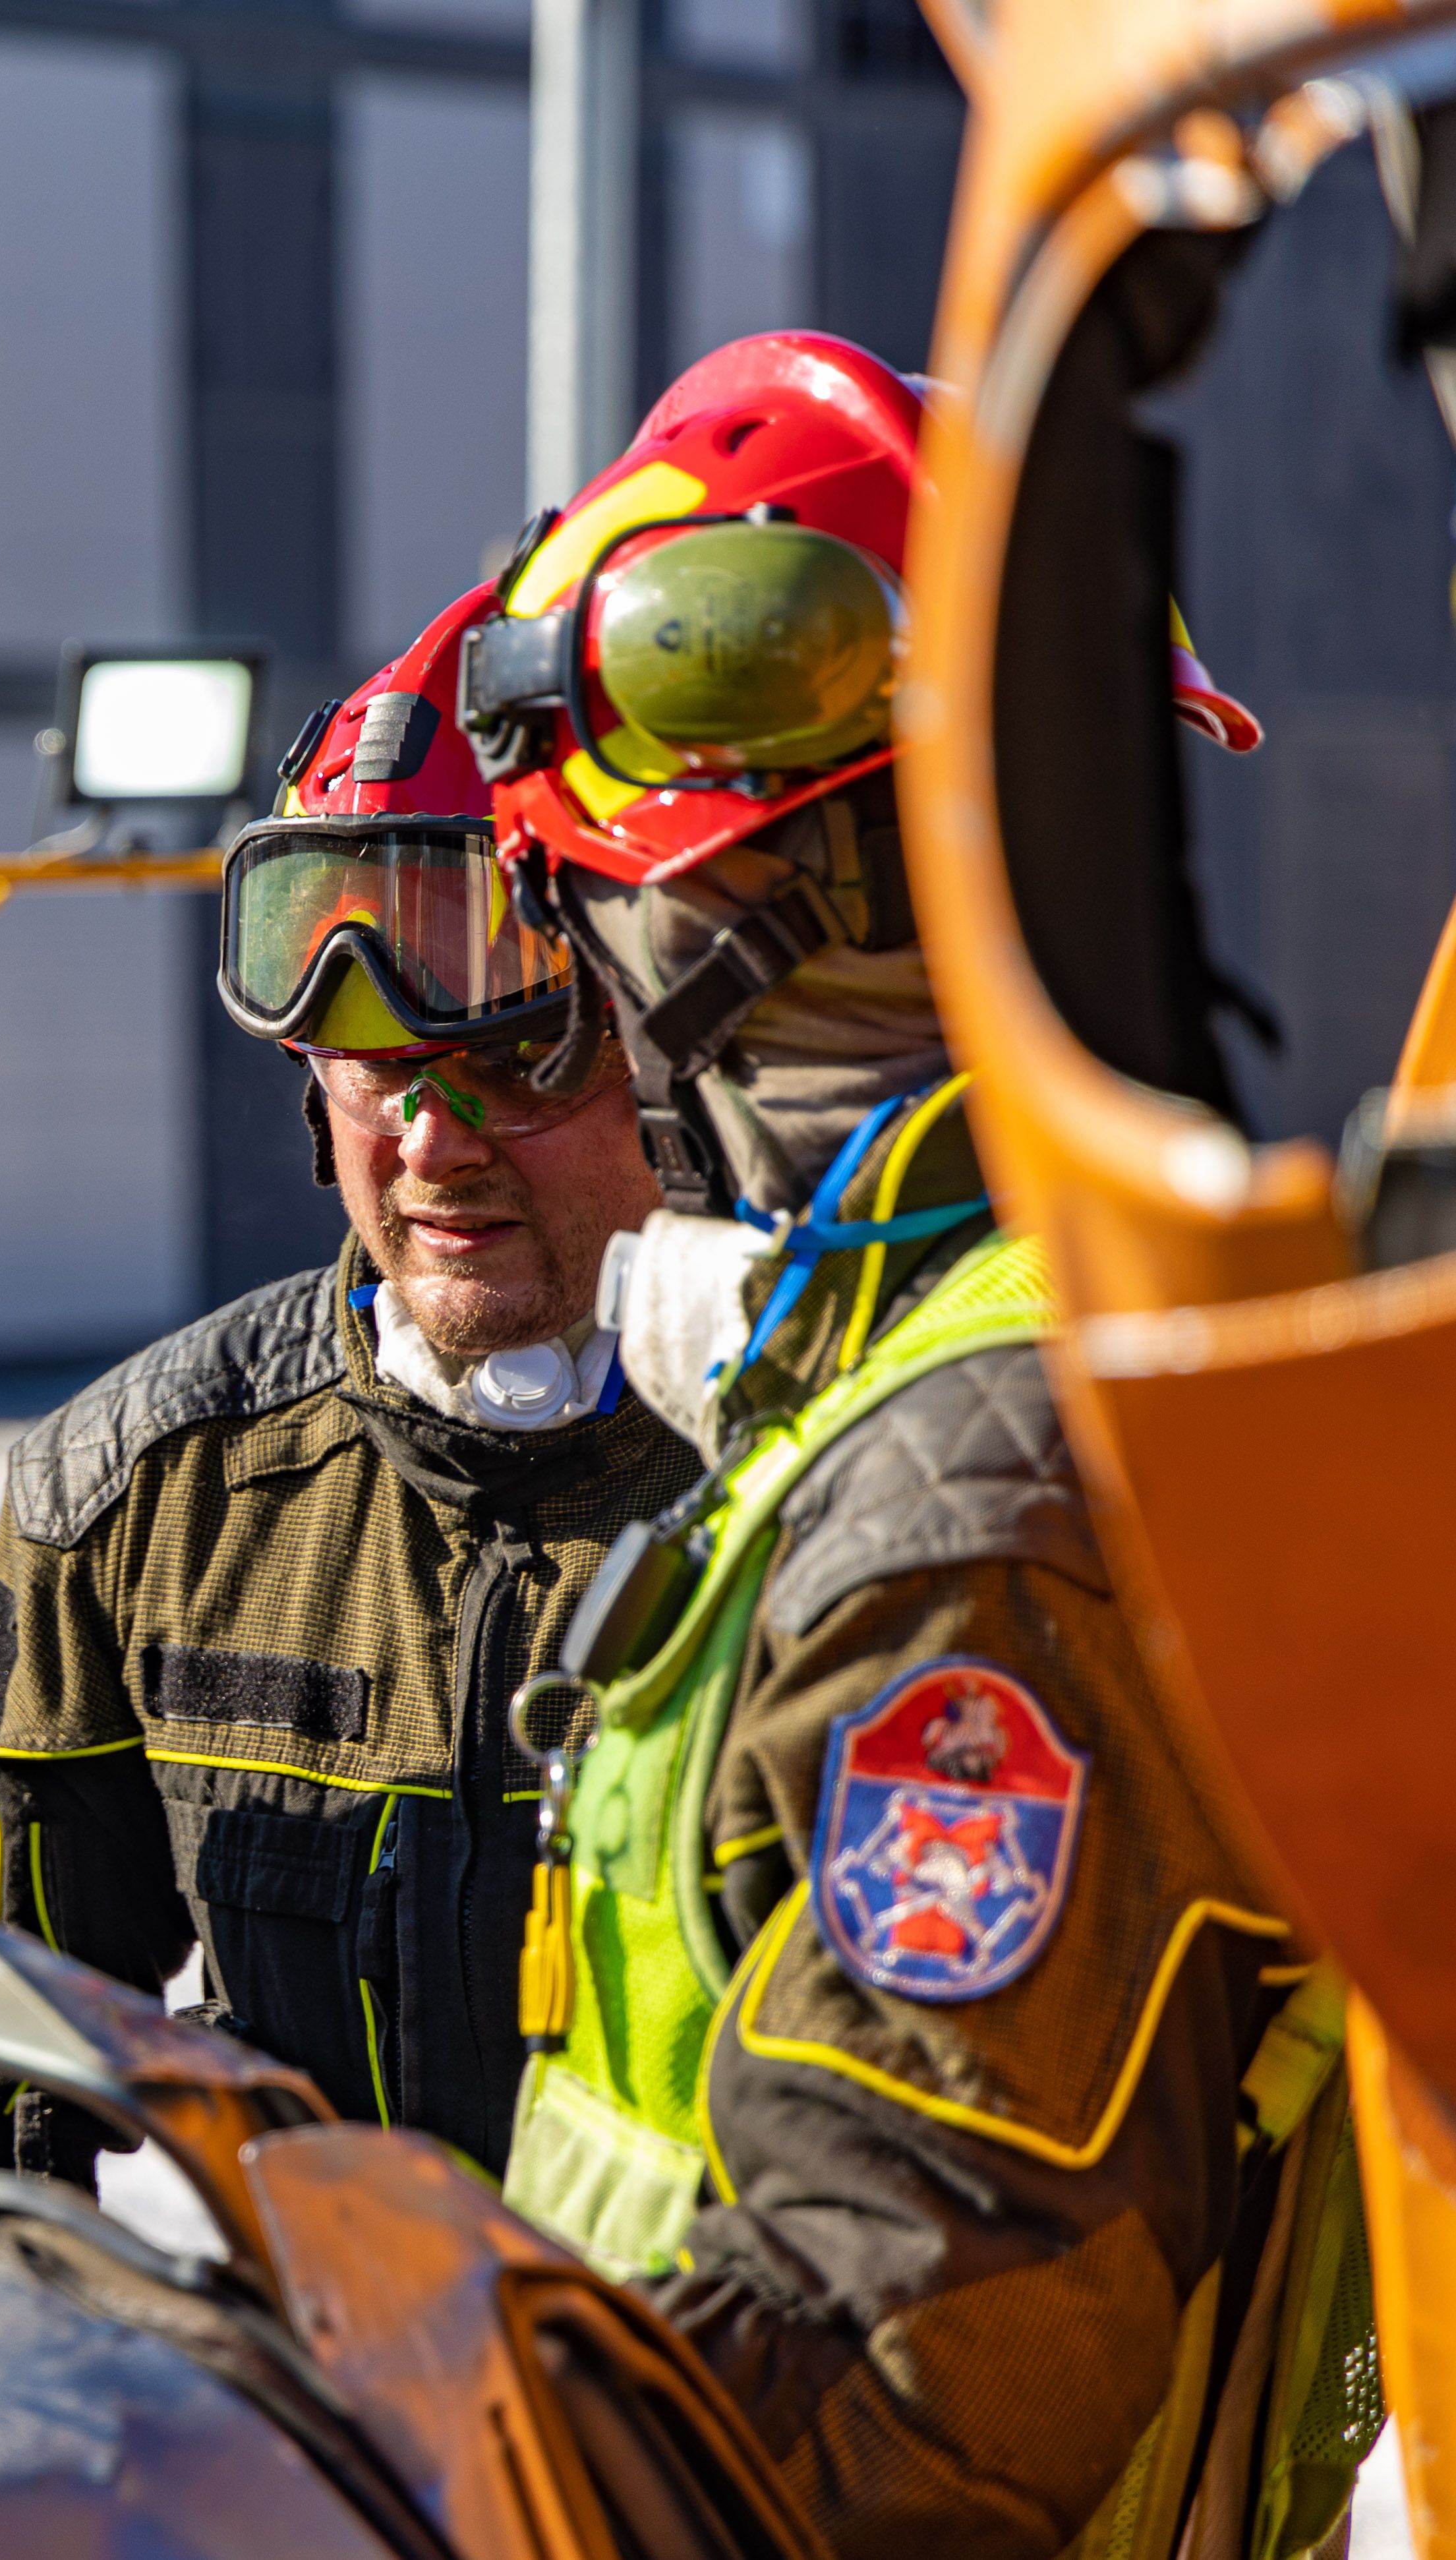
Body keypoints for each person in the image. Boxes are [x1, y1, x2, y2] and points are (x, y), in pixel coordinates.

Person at [459, 330, 1354, 2559]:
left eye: (579, 901)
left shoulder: (984, 1495)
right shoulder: (998, 1367)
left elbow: (902, 2374)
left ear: (724, 921)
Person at [0, 587, 699, 2185]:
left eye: (518, 1055)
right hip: (326, 2411)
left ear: (672, 1054)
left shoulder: (817, 1481)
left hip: (712, 2423)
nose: (435, 1143)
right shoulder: (138, 1500)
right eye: (378, 1065)